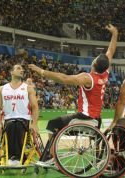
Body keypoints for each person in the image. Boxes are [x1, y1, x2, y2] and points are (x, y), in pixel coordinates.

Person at [28, 24, 118, 157]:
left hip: (84, 118)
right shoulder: (104, 74)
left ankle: (51, 156)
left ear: (94, 63)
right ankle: (97, 158)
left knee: (52, 124)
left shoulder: (88, 78)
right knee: (61, 122)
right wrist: (115, 34)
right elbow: (110, 51)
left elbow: (64, 78)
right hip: (97, 119)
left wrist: (41, 71)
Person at [0, 64, 39, 166]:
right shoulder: (2, 89)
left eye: (23, 69)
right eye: (18, 68)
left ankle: (15, 158)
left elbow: (35, 107)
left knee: (17, 125)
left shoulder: (28, 88)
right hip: (8, 119)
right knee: (11, 125)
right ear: (11, 72)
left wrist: (34, 123)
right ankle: (12, 157)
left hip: (24, 119)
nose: (22, 70)